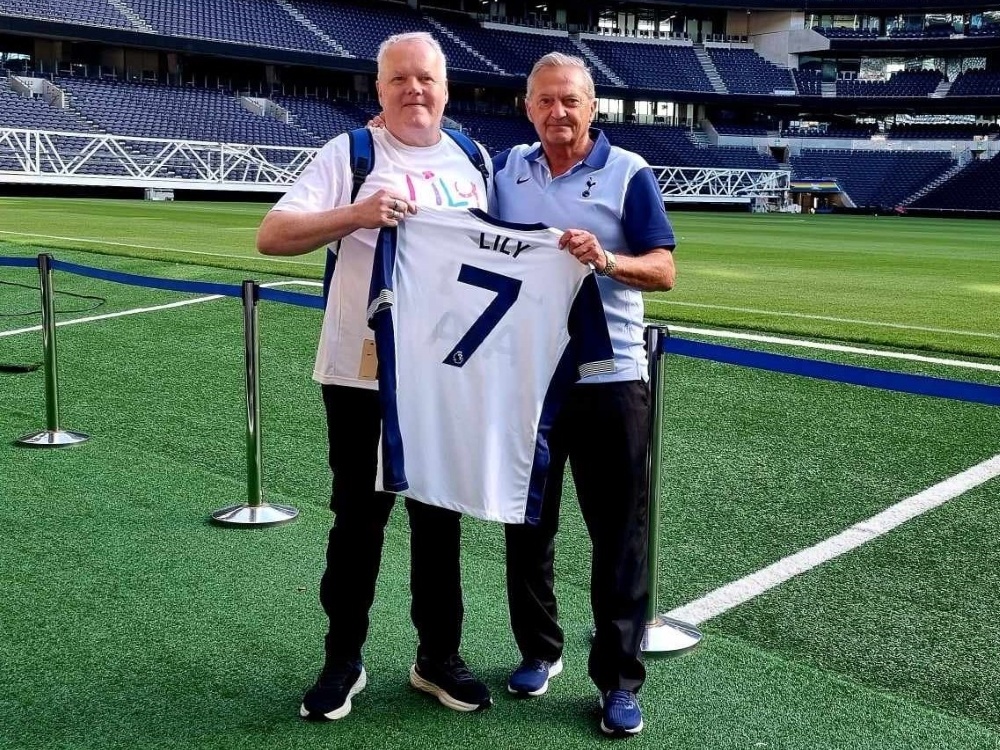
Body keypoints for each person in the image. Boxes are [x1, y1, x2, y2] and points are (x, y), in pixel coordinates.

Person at [256, 31, 493, 721]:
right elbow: (272, 236)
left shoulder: (472, 159)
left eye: (425, 79)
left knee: (440, 519)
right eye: (399, 81)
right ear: (378, 90)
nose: (414, 91)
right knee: (359, 520)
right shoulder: (350, 154)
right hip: (359, 372)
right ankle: (342, 659)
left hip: (443, 373)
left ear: (445, 88)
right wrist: (356, 214)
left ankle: (437, 658)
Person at [493, 52, 677, 737]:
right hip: (529, 380)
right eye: (544, 100)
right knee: (525, 525)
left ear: (591, 105)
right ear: (528, 106)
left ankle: (619, 682)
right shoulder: (505, 170)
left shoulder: (628, 173)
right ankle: (540, 652)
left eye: (570, 100)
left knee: (617, 538)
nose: (557, 112)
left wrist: (606, 260)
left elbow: (663, 270)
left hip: (613, 380)